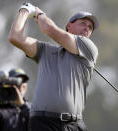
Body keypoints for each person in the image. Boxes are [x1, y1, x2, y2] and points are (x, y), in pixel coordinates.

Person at [8, 2, 99, 131]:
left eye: (90, 27)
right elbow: (15, 37)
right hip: (42, 123)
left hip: (73, 125)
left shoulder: (89, 48)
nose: (87, 29)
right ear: (69, 26)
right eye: (83, 23)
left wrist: (38, 13)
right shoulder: (44, 50)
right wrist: (24, 11)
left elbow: (49, 29)